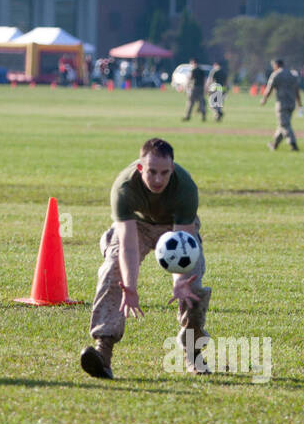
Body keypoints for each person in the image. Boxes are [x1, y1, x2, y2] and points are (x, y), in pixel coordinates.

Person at [81, 138, 211, 380]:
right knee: (113, 270)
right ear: (141, 168)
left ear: (172, 169)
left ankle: (193, 351)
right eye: (152, 172)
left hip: (173, 228)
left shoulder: (185, 188)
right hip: (137, 226)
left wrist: (179, 281)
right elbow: (129, 245)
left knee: (191, 285)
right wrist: (130, 286)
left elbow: (182, 246)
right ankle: (103, 351)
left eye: (164, 173)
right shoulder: (123, 188)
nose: (158, 180)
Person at [260, 58, 303, 151]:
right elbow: (297, 91)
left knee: (284, 125)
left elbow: (269, 88)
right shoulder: (292, 74)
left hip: (282, 103)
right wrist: (299, 104)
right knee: (282, 125)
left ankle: (293, 144)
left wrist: (264, 99)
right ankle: (274, 145)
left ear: (276, 65)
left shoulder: (276, 75)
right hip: (291, 103)